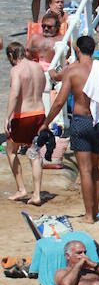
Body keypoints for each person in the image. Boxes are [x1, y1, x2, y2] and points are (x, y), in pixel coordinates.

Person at [42, 36, 99, 221]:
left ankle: (89, 214)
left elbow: (60, 101)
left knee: (84, 170)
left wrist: (46, 123)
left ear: (77, 50)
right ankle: (96, 208)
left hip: (80, 121)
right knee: (95, 170)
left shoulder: (73, 70)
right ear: (93, 50)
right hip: (98, 123)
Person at [5, 41, 47, 205]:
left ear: (11, 55)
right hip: (39, 112)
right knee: (34, 153)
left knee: (11, 150)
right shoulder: (37, 67)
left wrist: (7, 116)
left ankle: (21, 188)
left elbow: (15, 93)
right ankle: (36, 194)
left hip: (24, 115)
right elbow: (43, 85)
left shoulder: (16, 70)